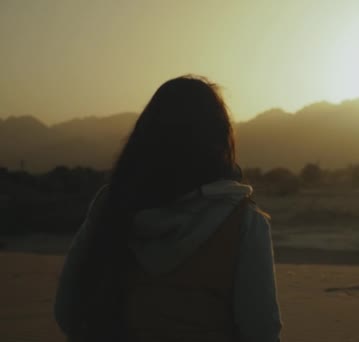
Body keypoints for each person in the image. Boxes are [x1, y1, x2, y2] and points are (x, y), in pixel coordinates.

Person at [54, 75, 282, 341]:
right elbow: (261, 331)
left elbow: (68, 311)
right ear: (219, 139)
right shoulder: (243, 221)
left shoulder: (112, 205)